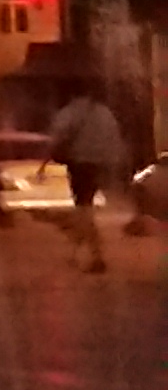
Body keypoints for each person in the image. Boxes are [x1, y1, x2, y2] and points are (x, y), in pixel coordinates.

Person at [46, 88, 129, 274]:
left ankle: (97, 256)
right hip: (100, 164)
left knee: (83, 209)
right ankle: (74, 253)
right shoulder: (104, 112)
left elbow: (58, 135)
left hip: (79, 163)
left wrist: (53, 152)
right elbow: (114, 140)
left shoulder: (70, 112)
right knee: (84, 207)